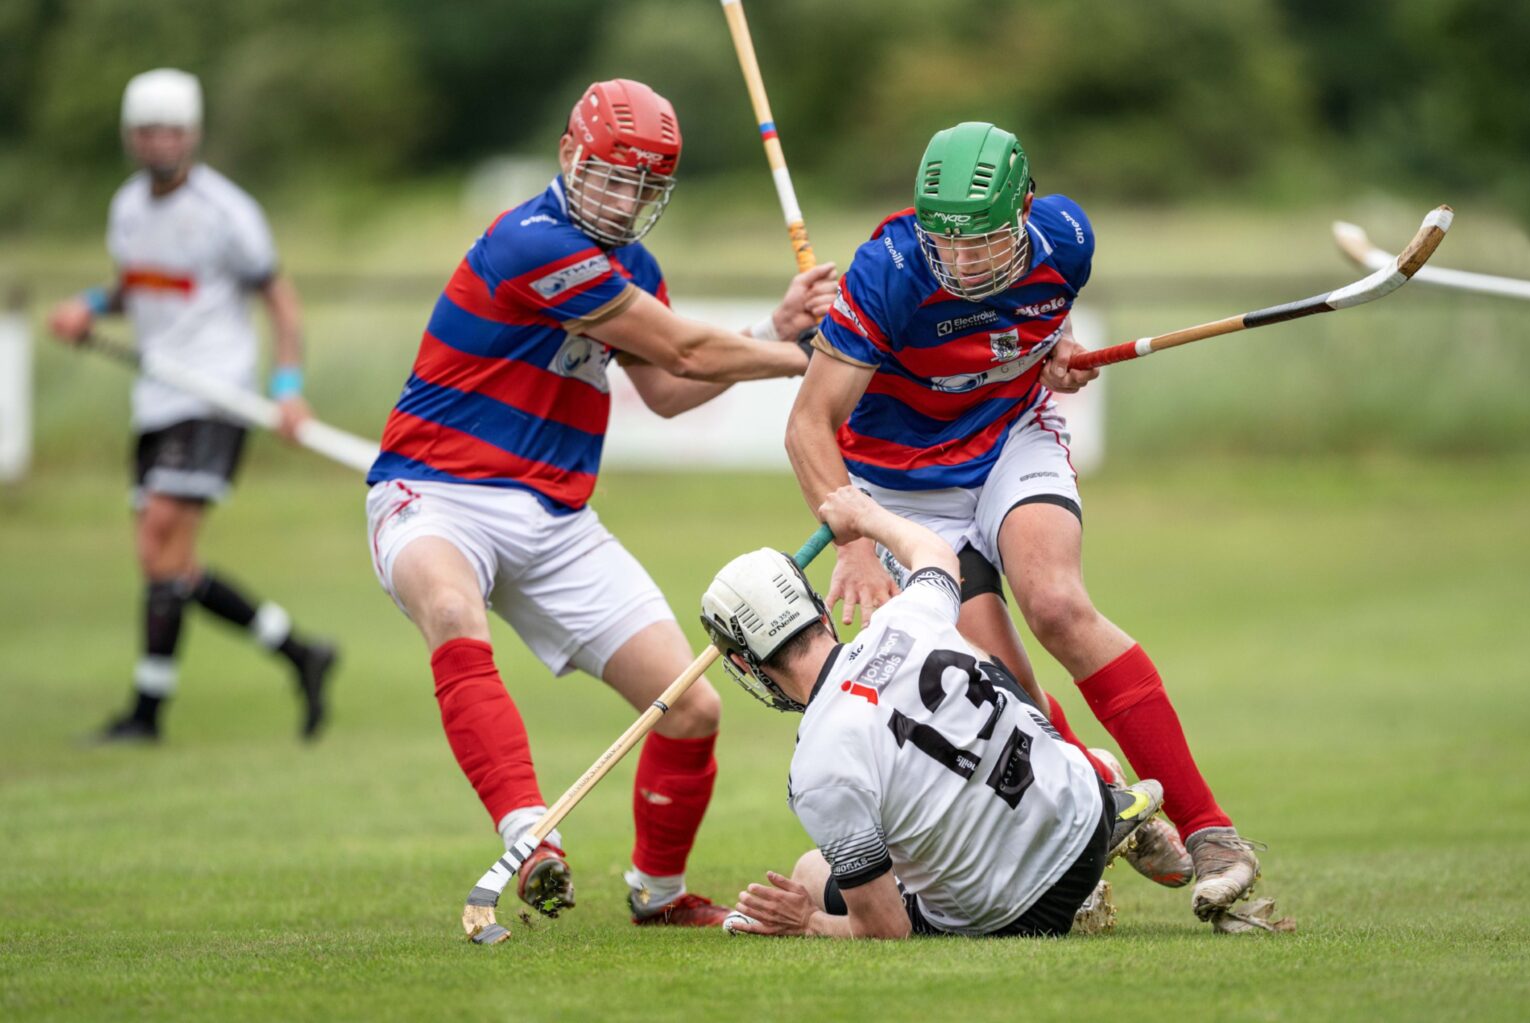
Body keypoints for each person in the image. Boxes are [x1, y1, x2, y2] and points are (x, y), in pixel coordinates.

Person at [364, 79, 837, 928]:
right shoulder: (531, 241)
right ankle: (529, 832)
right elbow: (687, 350)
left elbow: (665, 388)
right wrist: (824, 354)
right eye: (610, 177)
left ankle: (657, 895)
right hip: (434, 490)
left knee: (691, 706)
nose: (622, 200)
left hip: (556, 519)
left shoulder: (633, 267)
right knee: (449, 606)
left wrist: (776, 335)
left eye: (643, 187)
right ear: (568, 156)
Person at [785, 121, 1259, 921]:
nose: (963, 262)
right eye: (948, 242)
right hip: (903, 489)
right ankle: (1101, 797)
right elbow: (807, 424)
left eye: (984, 243)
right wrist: (858, 545)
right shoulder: (890, 271)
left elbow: (1039, 331)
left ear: (1027, 211)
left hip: (1007, 438)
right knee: (1003, 683)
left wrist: (1058, 349)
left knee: (1057, 604)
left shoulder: (1067, 238)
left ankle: (1212, 828)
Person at [701, 486, 1163, 938]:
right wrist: (865, 516)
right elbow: (936, 553)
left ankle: (1053, 879)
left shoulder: (815, 768)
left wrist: (805, 922)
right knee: (972, 654)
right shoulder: (905, 616)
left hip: (1021, 912)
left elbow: (885, 929)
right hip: (1085, 818)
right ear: (820, 609)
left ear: (745, 663)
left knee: (809, 871)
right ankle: (1095, 778)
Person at [47, 68, 336, 744]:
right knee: (168, 564)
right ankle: (299, 652)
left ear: (193, 134)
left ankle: (147, 715)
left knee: (157, 539)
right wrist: (88, 306)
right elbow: (137, 286)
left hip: (215, 395)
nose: (159, 143)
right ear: (130, 137)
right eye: (147, 132)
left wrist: (287, 387)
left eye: (171, 131)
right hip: (155, 397)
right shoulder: (126, 208)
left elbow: (282, 303)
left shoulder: (228, 212)